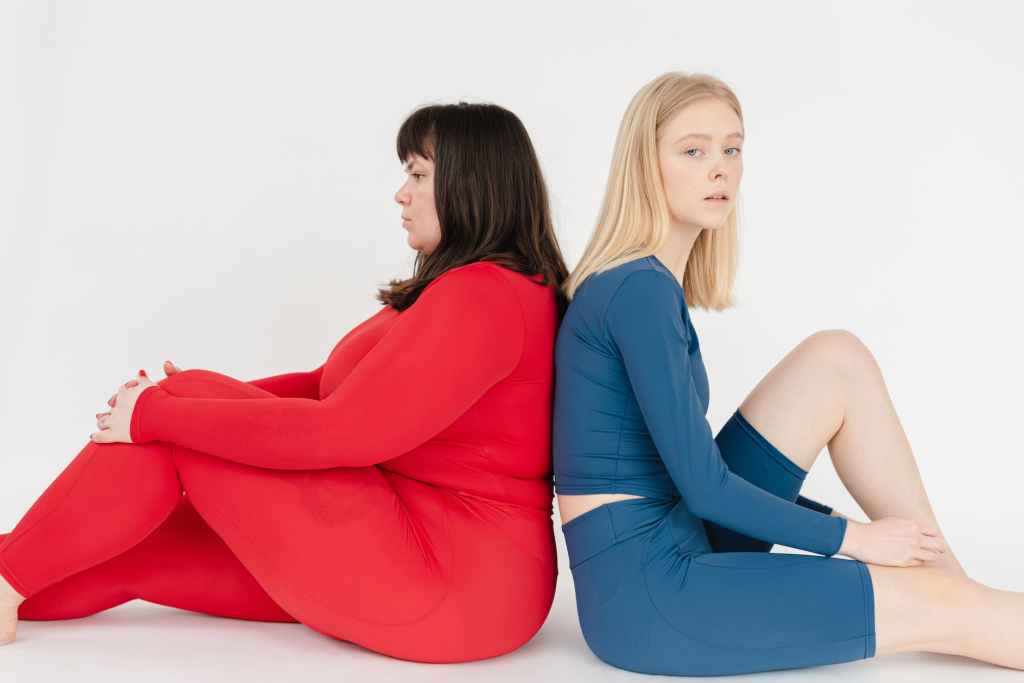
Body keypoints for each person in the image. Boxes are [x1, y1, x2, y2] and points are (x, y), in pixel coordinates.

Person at [0, 101, 571, 663]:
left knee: (168, 424)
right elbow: (326, 387)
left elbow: (344, 432)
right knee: (129, 550)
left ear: (473, 186)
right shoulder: (474, 288)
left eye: (419, 176)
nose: (401, 194)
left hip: (447, 583)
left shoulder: (483, 297)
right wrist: (194, 396)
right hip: (434, 570)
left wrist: (161, 413)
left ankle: (6, 581)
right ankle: (11, 579)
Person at [551, 70, 1023, 675]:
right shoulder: (636, 291)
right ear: (645, 165)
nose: (720, 169)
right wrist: (854, 539)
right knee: (946, 606)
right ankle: (954, 603)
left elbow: (701, 476)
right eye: (693, 151)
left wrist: (836, 525)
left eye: (732, 149)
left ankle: (948, 586)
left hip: (678, 543)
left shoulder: (645, 284)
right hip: (652, 598)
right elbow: (705, 487)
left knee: (835, 358)